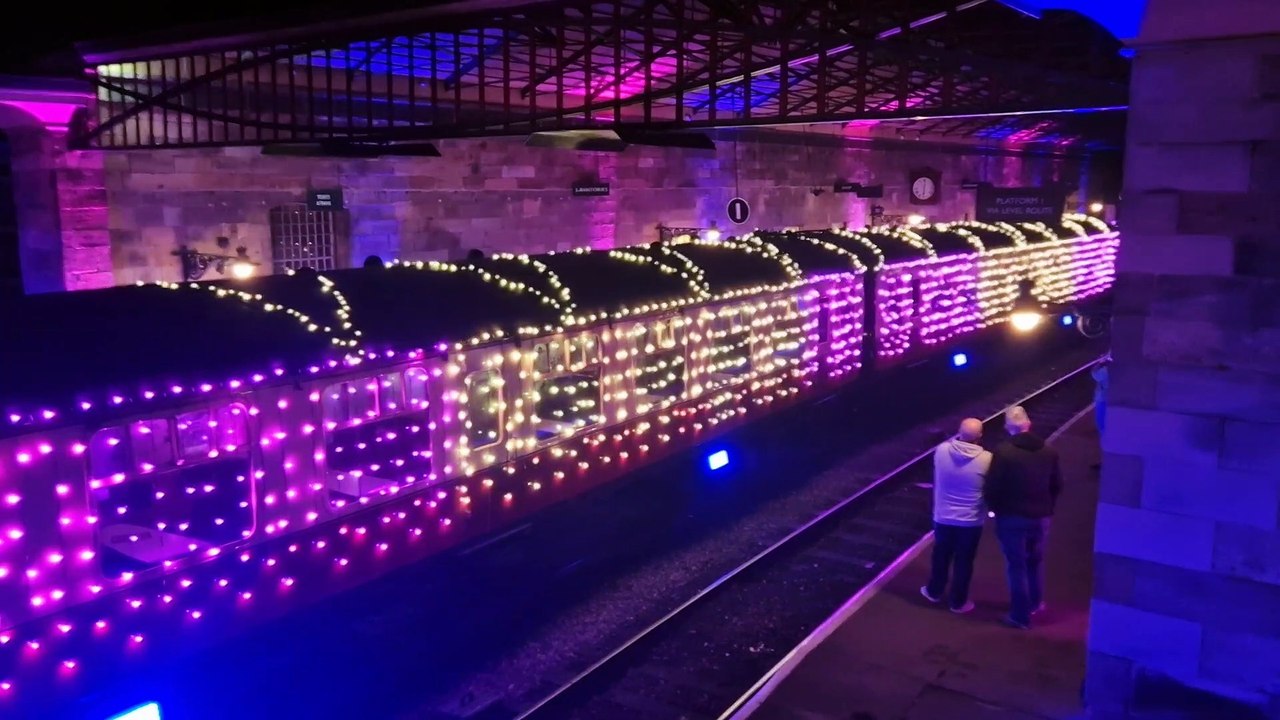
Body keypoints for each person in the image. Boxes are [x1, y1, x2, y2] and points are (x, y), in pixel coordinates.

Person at [984, 406, 1062, 629]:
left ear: (1008, 428)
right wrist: (1048, 506)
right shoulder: (1049, 450)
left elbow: (993, 487)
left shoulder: (1004, 452)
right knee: (1035, 561)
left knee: (1016, 565)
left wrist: (993, 510)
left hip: (1011, 517)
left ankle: (1019, 616)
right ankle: (1035, 603)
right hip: (1042, 516)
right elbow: (1057, 484)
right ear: (1029, 425)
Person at [920, 417, 992, 614]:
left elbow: (952, 444)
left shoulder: (942, 451)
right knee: (964, 562)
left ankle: (933, 591)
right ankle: (958, 602)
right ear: (980, 436)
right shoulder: (987, 459)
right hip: (971, 520)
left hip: (943, 517)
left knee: (940, 556)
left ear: (959, 433)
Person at [1091, 354, 1111, 434]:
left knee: (1101, 416)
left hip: (1102, 397)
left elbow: (1095, 374)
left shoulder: (1105, 370)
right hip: (1112, 397)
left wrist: (1099, 364)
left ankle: (1103, 432)